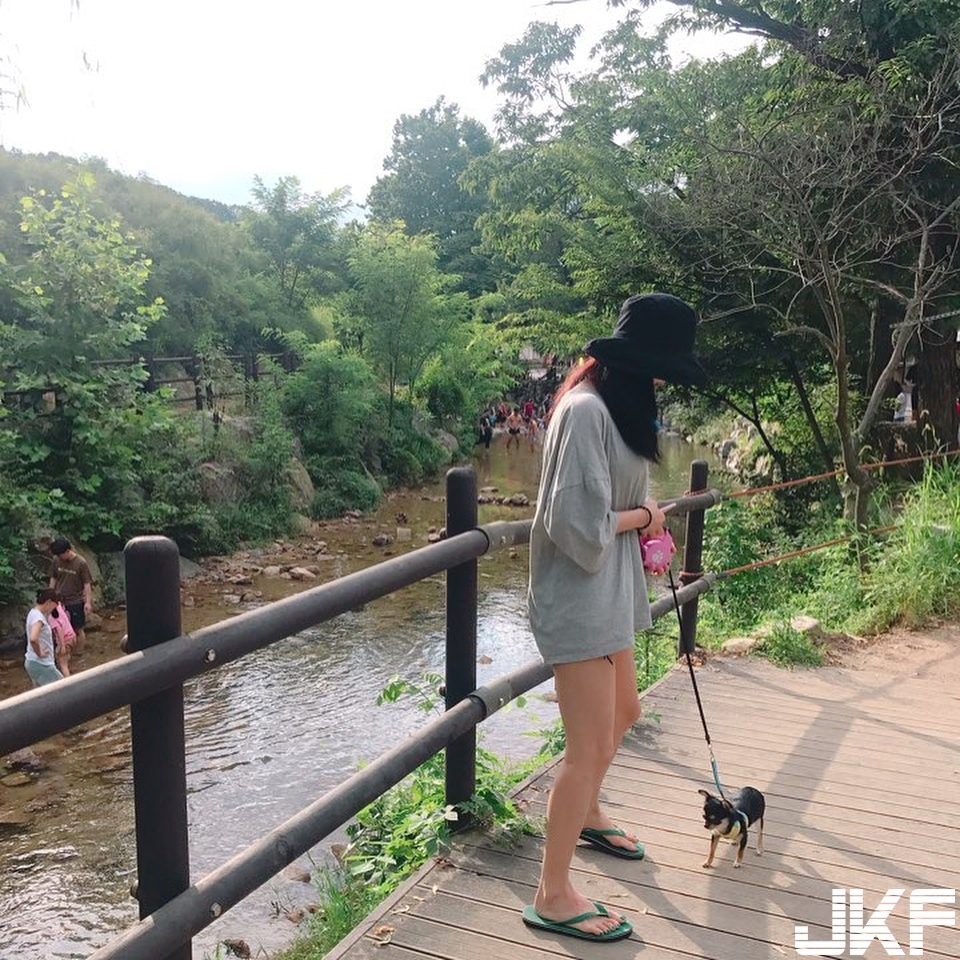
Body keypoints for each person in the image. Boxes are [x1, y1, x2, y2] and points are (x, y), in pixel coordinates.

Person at [523, 292, 706, 942]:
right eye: (660, 370)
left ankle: (591, 813)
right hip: (578, 597)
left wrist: (642, 518)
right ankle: (552, 892)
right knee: (587, 746)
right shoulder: (583, 410)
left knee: (624, 713)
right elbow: (575, 524)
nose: (660, 382)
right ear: (634, 363)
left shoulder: (611, 408)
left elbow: (612, 500)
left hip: (607, 589)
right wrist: (645, 519)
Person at [49, 537, 93, 657]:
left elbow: (87, 583)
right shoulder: (56, 560)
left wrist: (88, 602)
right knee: (61, 629)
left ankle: (79, 653)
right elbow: (53, 577)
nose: (59, 557)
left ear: (68, 551)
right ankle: (66, 653)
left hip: (76, 601)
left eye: (60, 555)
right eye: (57, 555)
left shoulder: (81, 563)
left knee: (78, 628)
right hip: (59, 601)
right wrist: (50, 594)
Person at [24, 587, 65, 688]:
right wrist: (39, 652)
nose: (52, 611)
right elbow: (33, 638)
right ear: (49, 602)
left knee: (40, 696)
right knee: (64, 689)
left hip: (31, 661)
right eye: (53, 607)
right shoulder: (39, 618)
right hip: (42, 664)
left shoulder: (32, 613)